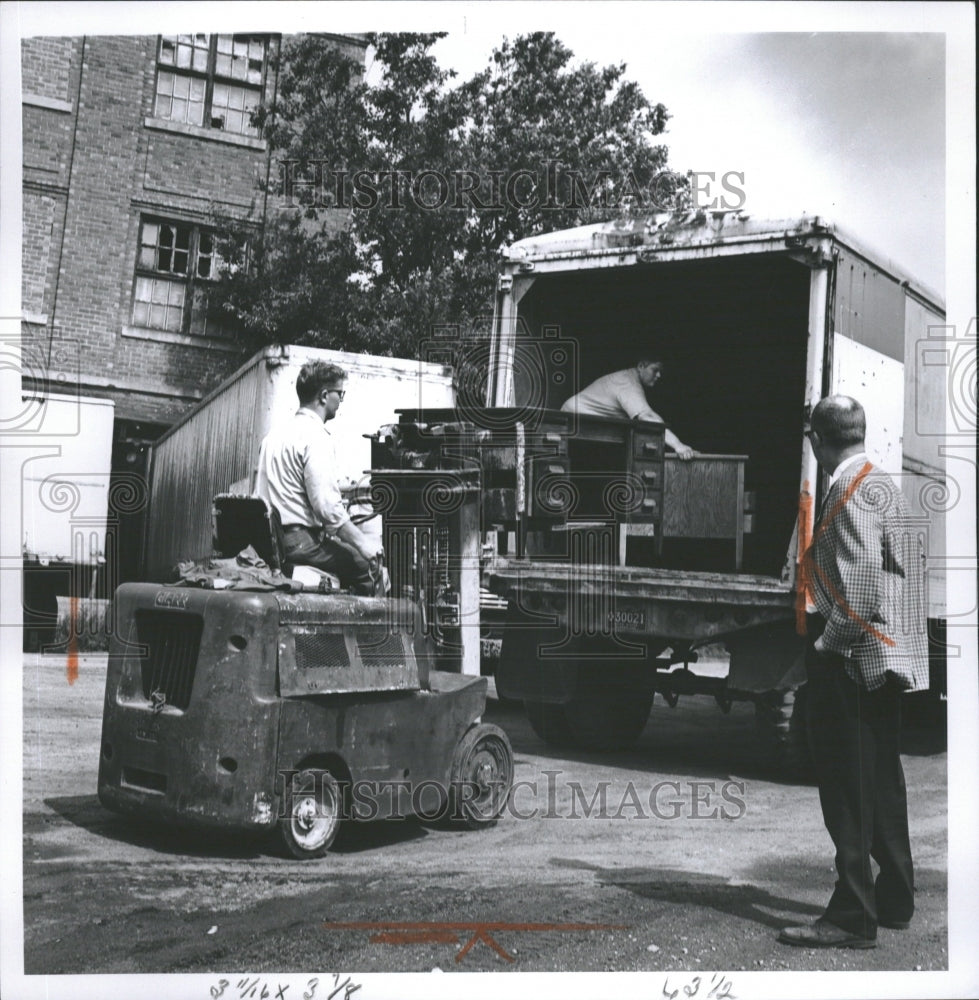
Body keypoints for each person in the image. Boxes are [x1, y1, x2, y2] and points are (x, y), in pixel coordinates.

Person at [778, 395, 928, 950]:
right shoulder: (883, 481)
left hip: (853, 657)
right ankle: (894, 899)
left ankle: (851, 916)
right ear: (860, 431)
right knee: (881, 779)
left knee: (846, 786)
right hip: (885, 659)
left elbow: (862, 577)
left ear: (817, 441)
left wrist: (828, 644)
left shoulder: (848, 486)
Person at [256, 361, 382, 595]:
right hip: (300, 543)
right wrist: (364, 544)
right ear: (324, 396)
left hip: (270, 543)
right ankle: (375, 632)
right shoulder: (315, 437)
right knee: (369, 569)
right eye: (340, 394)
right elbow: (327, 508)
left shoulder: (273, 437)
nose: (340, 401)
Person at [560, 357, 698, 458]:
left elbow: (649, 414)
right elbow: (646, 417)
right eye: (655, 370)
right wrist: (678, 445)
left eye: (660, 371)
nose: (658, 375)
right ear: (641, 366)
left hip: (585, 421)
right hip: (572, 419)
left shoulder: (630, 379)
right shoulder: (628, 384)